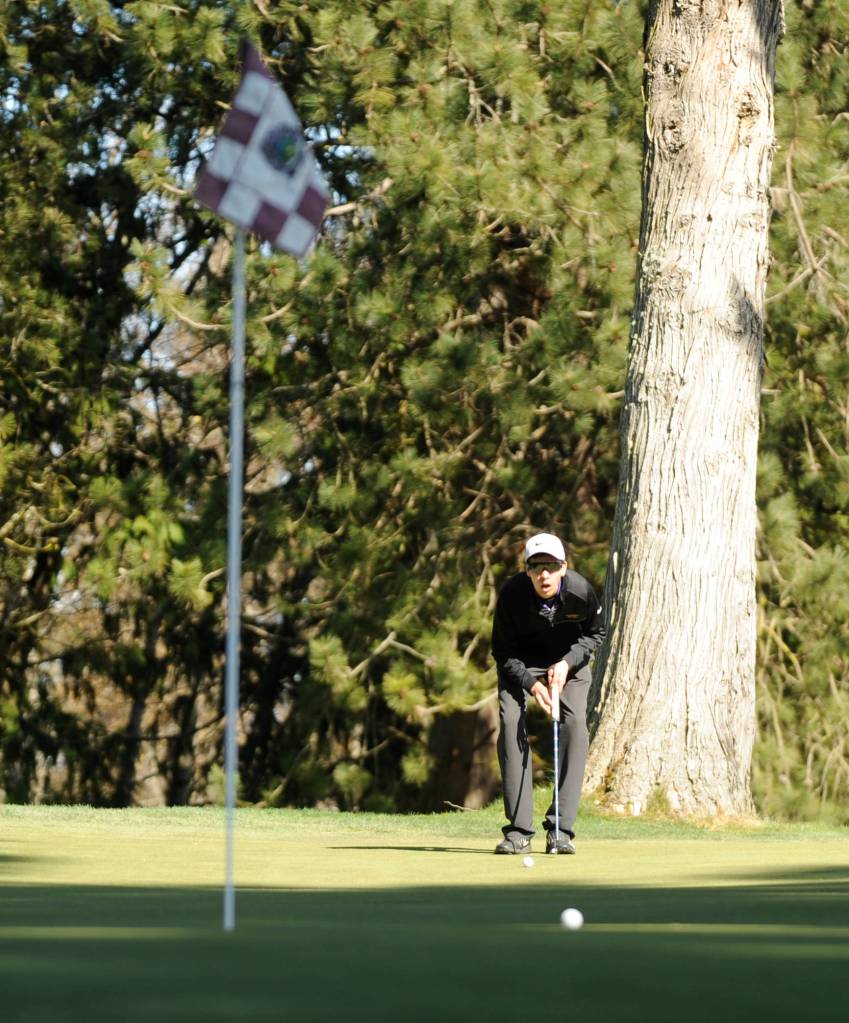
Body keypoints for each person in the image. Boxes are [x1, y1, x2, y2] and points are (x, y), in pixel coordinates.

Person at [490, 532, 605, 855]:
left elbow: (596, 634)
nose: (544, 574)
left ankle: (561, 828)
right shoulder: (512, 595)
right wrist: (532, 684)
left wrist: (567, 664)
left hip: (570, 664)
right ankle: (518, 831)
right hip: (520, 665)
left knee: (575, 726)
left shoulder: (581, 592)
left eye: (551, 567)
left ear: (563, 568)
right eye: (537, 567)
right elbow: (502, 651)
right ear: (527, 571)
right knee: (511, 723)